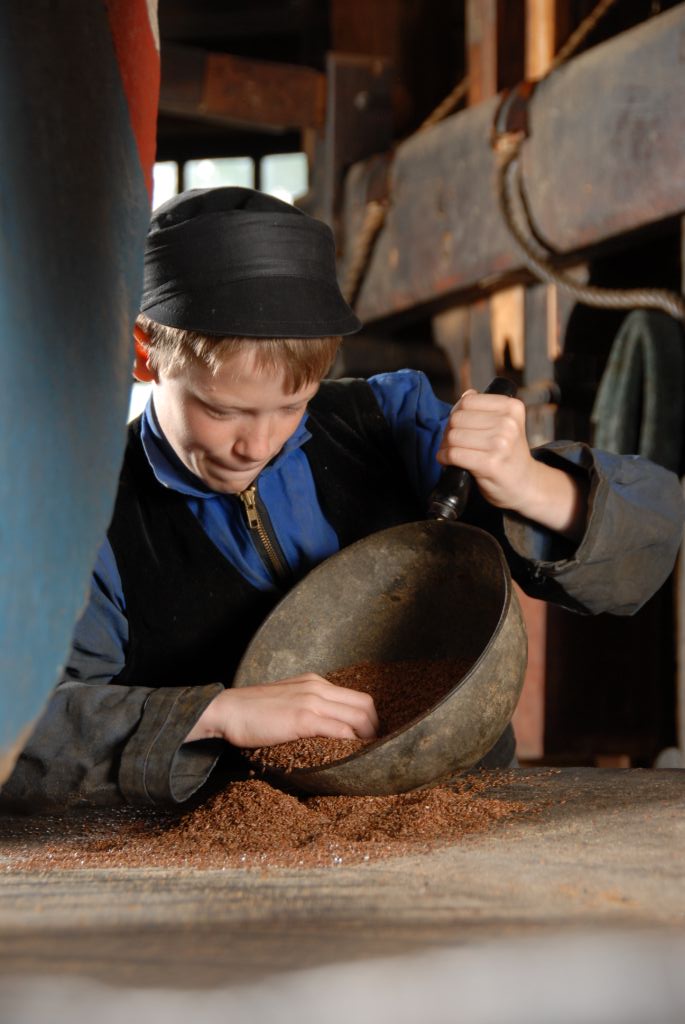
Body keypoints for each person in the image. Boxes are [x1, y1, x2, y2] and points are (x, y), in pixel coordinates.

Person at [3, 187, 683, 810]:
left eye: (290, 406)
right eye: (224, 410)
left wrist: (532, 484)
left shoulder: (387, 422)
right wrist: (217, 715)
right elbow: (23, 729)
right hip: (227, 847)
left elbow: (658, 531)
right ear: (144, 355)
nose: (257, 443)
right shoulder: (88, 512)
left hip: (456, 811)